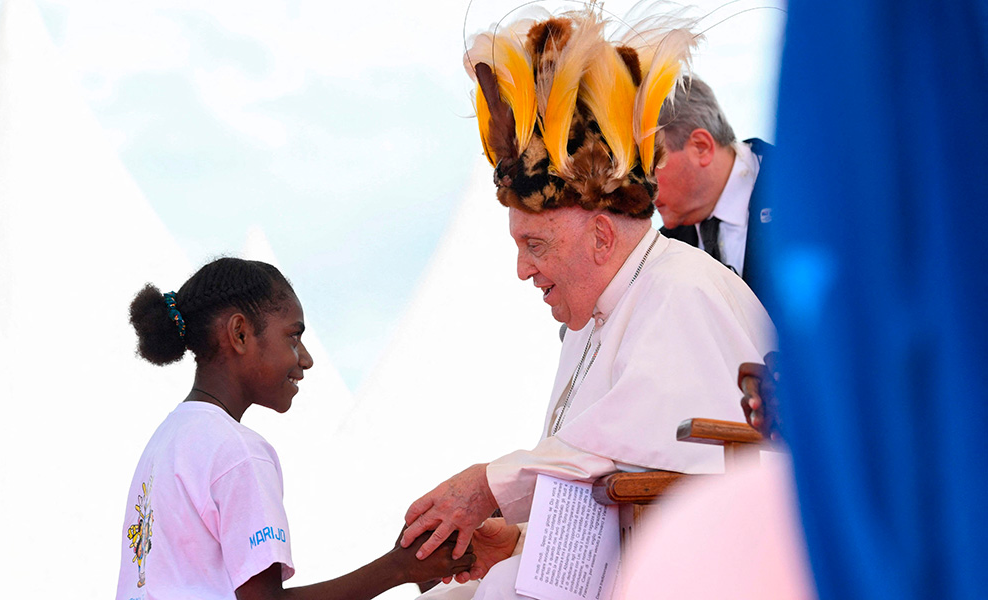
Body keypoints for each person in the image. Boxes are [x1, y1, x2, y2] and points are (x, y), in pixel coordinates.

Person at [400, 8, 776, 599]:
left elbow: (664, 470)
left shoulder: (683, 292)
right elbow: (615, 478)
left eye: (535, 244)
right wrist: (522, 538)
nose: (522, 268)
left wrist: (491, 485)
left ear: (602, 236)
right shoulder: (590, 321)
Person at [116, 257, 475, 600]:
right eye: (293, 336)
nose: (305, 358)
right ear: (240, 334)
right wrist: (398, 568)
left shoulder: (165, 441)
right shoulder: (237, 451)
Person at [655, 77, 775, 306]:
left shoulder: (807, 195)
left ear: (701, 147)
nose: (641, 184)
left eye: (650, 165)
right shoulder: (659, 249)